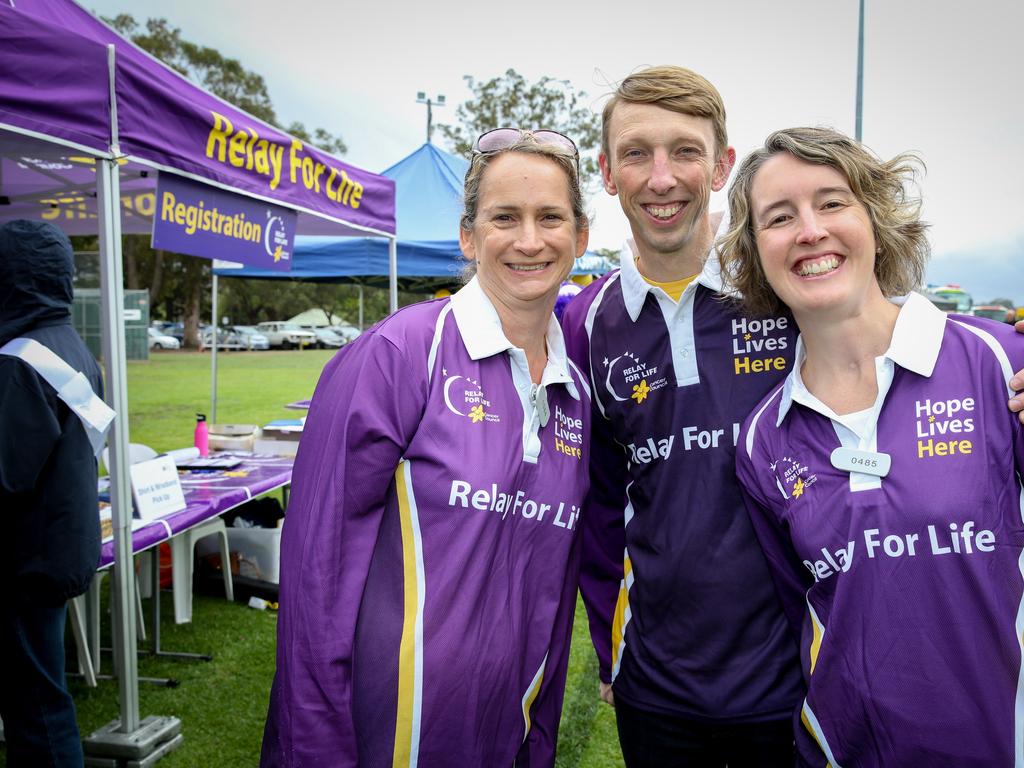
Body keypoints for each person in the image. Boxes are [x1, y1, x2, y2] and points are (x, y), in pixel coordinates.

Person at [261, 129, 592, 767]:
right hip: (380, 737)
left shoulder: (572, 392)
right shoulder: (397, 354)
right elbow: (314, 576)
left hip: (502, 735)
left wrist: (540, 738)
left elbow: (553, 595)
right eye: (505, 218)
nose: (529, 240)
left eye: (550, 217)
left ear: (578, 236)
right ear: (469, 236)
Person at [720, 126, 1024, 766]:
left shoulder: (1000, 363)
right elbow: (801, 609)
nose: (809, 231)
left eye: (832, 203)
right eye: (779, 217)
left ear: (876, 220)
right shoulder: (762, 439)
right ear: (755, 252)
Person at [560, 65, 804, 767]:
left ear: (724, 165)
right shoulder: (587, 321)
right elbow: (596, 504)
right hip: (659, 685)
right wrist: (612, 647)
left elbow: (898, 349)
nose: (661, 177)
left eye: (685, 151)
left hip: (799, 669)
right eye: (636, 153)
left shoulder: (784, 292)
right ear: (607, 172)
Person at [0, 220, 107, 766]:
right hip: (59, 547)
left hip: (23, 560)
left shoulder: (19, 359)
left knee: (38, 712)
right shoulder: (73, 349)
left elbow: (6, 475)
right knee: (42, 699)